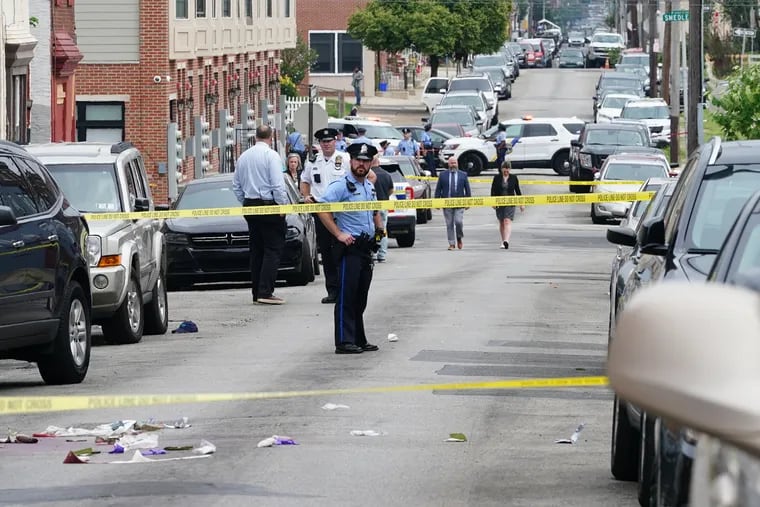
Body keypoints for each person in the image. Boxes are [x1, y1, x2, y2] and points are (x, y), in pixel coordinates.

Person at [317, 142, 384, 354]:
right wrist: (338, 233)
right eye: (358, 160)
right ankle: (344, 341)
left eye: (366, 161)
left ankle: (358, 338)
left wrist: (380, 230)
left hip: (366, 247)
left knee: (360, 296)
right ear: (351, 161)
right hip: (350, 247)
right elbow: (322, 209)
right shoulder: (341, 186)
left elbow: (373, 210)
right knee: (347, 295)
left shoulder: (368, 186)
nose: (361, 164)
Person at [232, 124, 288, 305]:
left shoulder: (243, 157)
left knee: (256, 250)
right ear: (271, 137)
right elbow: (278, 185)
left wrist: (246, 202)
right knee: (273, 249)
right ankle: (265, 291)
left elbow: (236, 186)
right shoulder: (271, 156)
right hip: (268, 205)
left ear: (255, 136)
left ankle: (256, 292)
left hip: (250, 205)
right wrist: (281, 206)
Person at [300, 127, 348, 304]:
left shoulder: (345, 159)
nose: (326, 144)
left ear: (335, 141)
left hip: (341, 212)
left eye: (329, 141)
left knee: (343, 251)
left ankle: (345, 288)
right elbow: (305, 181)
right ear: (319, 144)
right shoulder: (313, 162)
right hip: (322, 212)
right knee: (327, 254)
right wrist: (306, 196)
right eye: (323, 142)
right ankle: (333, 291)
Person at [434, 157, 471, 250]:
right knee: (449, 224)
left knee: (458, 222)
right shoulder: (443, 175)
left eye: (454, 163)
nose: (453, 165)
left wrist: (468, 202)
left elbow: (467, 190)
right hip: (447, 203)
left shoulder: (463, 175)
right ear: (448, 164)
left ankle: (459, 237)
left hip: (460, 203)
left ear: (457, 164)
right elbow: (438, 189)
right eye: (451, 163)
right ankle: (451, 243)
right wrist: (437, 202)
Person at [490, 160, 525, 249]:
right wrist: (492, 202)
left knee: (507, 220)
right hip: (499, 202)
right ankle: (503, 240)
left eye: (508, 170)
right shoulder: (496, 178)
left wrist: (521, 203)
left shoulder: (514, 178)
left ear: (510, 169)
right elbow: (493, 190)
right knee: (501, 222)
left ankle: (506, 240)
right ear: (501, 169)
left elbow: (518, 191)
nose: (506, 172)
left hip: (510, 202)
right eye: (504, 170)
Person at [367, 156, 394, 263]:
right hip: (383, 205)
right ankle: (382, 254)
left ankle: (373, 252)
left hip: (370, 206)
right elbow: (391, 190)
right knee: (382, 230)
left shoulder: (368, 175)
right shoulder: (386, 175)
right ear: (378, 162)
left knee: (372, 230)